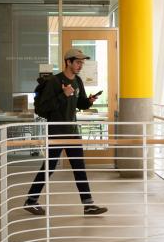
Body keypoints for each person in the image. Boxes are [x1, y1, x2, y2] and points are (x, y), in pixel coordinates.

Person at [23, 48, 107, 216]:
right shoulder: (55, 81)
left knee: (79, 167)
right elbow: (43, 109)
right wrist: (63, 94)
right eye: (78, 62)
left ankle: (88, 204)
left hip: (72, 131)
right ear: (68, 62)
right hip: (56, 131)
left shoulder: (78, 81)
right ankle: (31, 200)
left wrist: (89, 101)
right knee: (50, 167)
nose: (80, 66)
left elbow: (80, 104)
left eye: (82, 63)